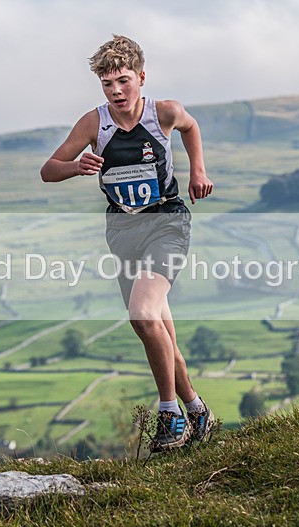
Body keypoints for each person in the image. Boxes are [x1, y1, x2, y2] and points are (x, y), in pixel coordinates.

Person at [40, 35, 214, 452]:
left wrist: (198, 171)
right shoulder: (93, 123)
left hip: (166, 222)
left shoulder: (163, 112)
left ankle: (170, 414)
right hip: (123, 231)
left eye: (123, 81)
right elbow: (48, 170)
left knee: (142, 315)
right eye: (107, 84)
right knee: (157, 330)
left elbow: (191, 127)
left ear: (141, 77)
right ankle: (197, 410)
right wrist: (76, 166)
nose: (116, 91)